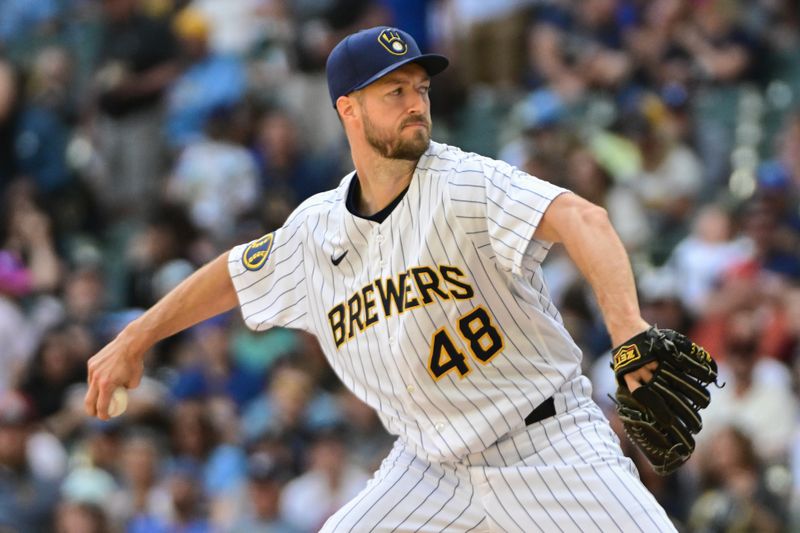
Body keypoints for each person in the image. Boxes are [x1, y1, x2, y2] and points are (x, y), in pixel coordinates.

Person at [85, 26, 677, 531]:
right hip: (429, 468)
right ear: (349, 108)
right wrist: (134, 338)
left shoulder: (464, 183)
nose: (416, 102)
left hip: (548, 443)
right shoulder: (315, 229)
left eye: (420, 88)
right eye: (394, 91)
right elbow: (234, 275)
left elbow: (582, 217)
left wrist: (628, 329)